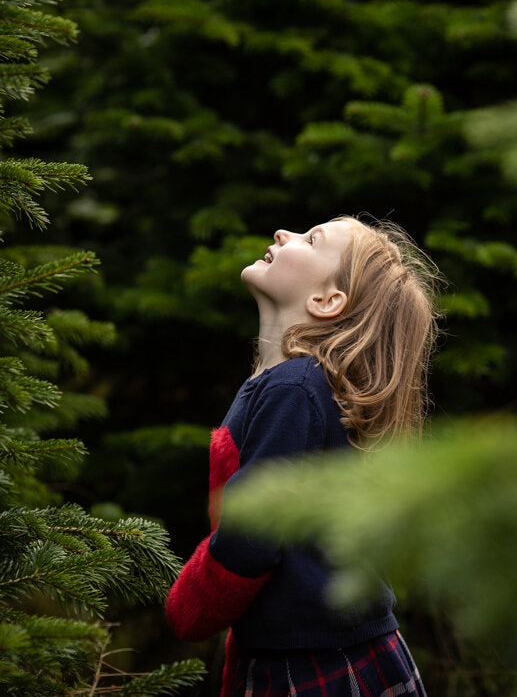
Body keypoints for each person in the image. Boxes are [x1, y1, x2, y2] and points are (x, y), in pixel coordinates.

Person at [166, 215, 440, 696]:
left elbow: (255, 527)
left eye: (310, 239)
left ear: (328, 300)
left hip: (316, 664)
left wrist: (193, 603)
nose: (281, 234)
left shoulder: (294, 387)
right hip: (322, 647)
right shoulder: (291, 382)